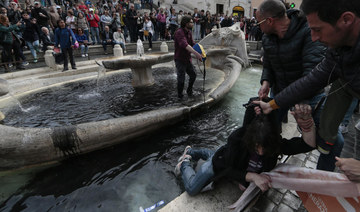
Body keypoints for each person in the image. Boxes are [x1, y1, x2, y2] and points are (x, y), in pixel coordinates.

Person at [253, 0, 360, 165]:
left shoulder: (311, 35)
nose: (314, 37)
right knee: (267, 132)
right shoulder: (337, 50)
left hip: (307, 97)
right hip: (283, 92)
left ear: (346, 20)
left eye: (317, 30)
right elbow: (312, 79)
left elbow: (310, 74)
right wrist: (269, 93)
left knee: (333, 141)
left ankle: (322, 184)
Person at [175, 100, 316, 195]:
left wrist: (306, 123)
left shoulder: (274, 144)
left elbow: (308, 145)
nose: (261, 152)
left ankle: (196, 151)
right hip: (220, 163)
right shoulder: (237, 139)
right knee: (192, 189)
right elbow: (226, 169)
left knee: (218, 153)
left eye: (265, 148)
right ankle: (186, 160)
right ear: (250, 139)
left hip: (226, 155)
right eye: (256, 147)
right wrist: (252, 177)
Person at [173, 15, 203, 99]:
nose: (193, 24)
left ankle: (189, 91)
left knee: (193, 75)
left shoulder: (189, 32)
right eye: (191, 22)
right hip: (180, 59)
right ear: (186, 23)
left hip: (187, 59)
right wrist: (196, 53)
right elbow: (185, 45)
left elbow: (192, 43)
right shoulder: (179, 32)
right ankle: (180, 96)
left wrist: (201, 50)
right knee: (181, 80)